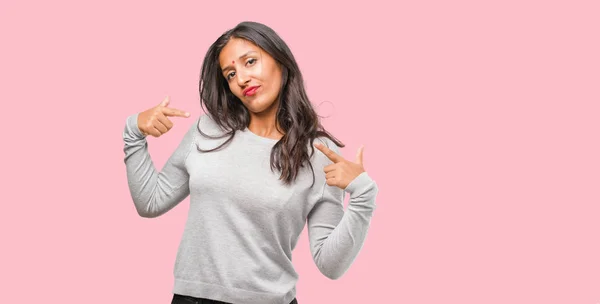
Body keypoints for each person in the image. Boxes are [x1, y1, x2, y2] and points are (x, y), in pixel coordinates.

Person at [122, 21, 379, 304]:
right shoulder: (207, 130)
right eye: (230, 74)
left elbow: (331, 265)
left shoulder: (318, 152)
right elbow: (151, 202)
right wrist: (134, 131)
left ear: (280, 61)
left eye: (250, 62)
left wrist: (363, 194)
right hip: (192, 298)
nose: (241, 78)